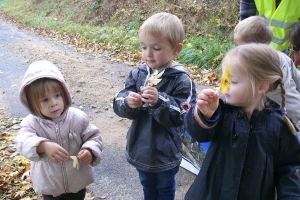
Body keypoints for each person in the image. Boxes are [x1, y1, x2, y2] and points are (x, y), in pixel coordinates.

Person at [184, 43, 300, 199]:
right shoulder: (221, 111)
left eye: (232, 81)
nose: (223, 87)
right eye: (223, 79)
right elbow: (198, 134)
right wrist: (204, 115)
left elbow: (287, 170)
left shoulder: (279, 124)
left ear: (261, 87)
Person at [113, 12, 197, 200]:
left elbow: (184, 115)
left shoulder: (182, 81)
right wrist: (128, 103)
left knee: (165, 187)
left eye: (156, 48)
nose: (148, 54)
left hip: (166, 151)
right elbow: (118, 100)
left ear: (176, 49)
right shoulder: (138, 74)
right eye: (144, 47)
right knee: (147, 185)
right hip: (141, 147)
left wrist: (161, 101)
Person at [16, 60, 103, 200]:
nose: (54, 103)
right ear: (33, 103)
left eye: (57, 95)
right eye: (45, 100)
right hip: (50, 185)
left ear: (65, 94)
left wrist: (89, 150)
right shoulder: (31, 124)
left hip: (77, 181)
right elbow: (22, 142)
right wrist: (42, 146)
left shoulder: (77, 118)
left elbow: (93, 137)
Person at [234, 16, 300, 130]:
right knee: (288, 140)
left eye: (240, 46)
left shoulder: (254, 65)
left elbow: (239, 88)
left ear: (254, 45)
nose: (238, 50)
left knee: (274, 141)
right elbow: (297, 78)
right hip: (294, 107)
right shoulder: (281, 56)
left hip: (279, 114)